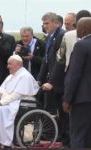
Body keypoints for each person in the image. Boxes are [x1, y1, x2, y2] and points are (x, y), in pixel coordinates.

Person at [63, 17, 91, 148]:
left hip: (82, 99)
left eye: (78, 27)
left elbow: (74, 75)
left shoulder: (81, 45)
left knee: (77, 136)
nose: (76, 30)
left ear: (84, 29)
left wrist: (67, 99)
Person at [37, 12, 65, 114]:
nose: (45, 26)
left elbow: (60, 61)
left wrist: (52, 82)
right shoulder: (49, 36)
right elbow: (46, 59)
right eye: (44, 24)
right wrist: (39, 79)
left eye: (47, 23)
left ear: (56, 23)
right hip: (49, 77)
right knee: (47, 108)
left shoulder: (61, 35)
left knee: (56, 111)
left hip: (58, 81)